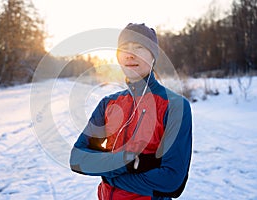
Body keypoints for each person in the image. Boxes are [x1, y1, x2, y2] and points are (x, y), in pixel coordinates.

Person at [70, 23, 192, 200]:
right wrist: (127, 163)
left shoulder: (175, 107)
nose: (130, 54)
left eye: (139, 47)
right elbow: (78, 158)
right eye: (124, 48)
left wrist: (108, 175)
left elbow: (172, 181)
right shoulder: (108, 104)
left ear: (153, 57)